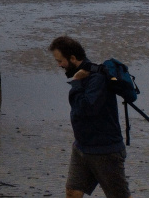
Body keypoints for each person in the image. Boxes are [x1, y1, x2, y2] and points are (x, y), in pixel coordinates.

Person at [49, 36, 131, 198]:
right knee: (72, 192)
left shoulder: (96, 78)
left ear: (72, 58)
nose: (59, 65)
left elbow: (85, 109)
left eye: (60, 61)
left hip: (105, 151)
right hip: (82, 148)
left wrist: (77, 82)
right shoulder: (84, 75)